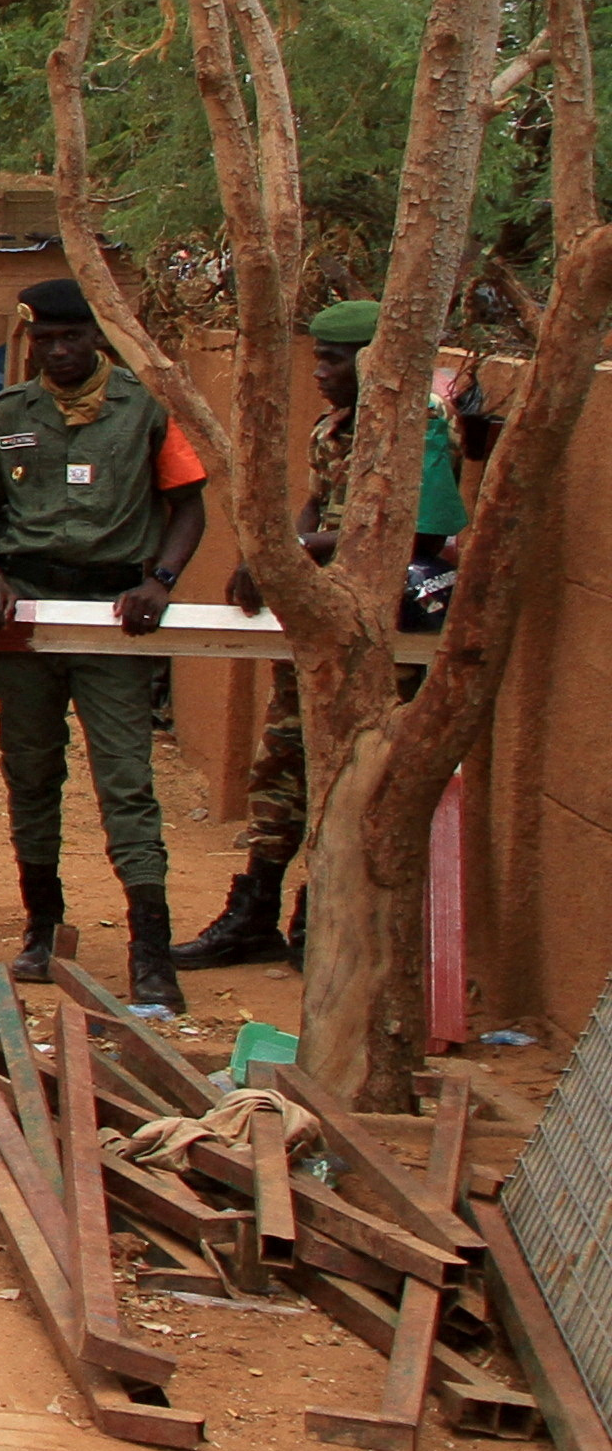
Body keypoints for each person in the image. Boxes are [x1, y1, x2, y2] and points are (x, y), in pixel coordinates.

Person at [180, 297, 474, 970]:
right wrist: (285, 554)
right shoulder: (333, 428)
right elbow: (316, 503)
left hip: (386, 626)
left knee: (357, 768)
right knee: (283, 756)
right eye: (318, 356)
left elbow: (418, 533)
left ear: (375, 362)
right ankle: (253, 910)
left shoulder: (418, 424)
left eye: (334, 360)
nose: (320, 371)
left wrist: (290, 552)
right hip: (323, 616)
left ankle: (322, 918)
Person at [0, 275, 213, 1011]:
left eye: (71, 338)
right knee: (31, 772)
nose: (58, 352)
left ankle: (150, 953)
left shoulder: (144, 411)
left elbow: (188, 506)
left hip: (111, 615)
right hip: (29, 616)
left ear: (95, 339)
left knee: (126, 782)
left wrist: (162, 581)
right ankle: (41, 928)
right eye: (44, 341)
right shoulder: (9, 413)